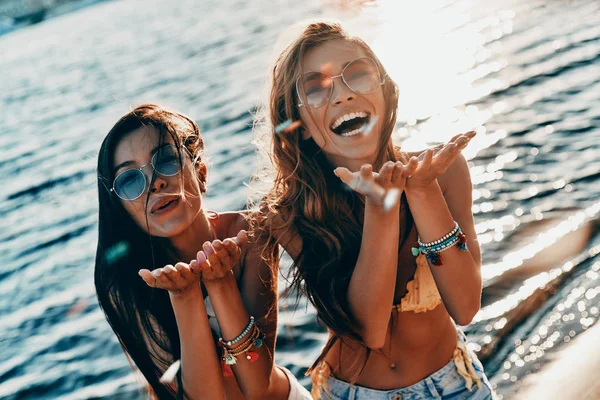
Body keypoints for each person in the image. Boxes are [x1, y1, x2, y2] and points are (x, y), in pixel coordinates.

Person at [252, 21, 496, 399]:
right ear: (299, 126)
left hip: (456, 385)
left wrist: (422, 190)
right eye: (316, 88)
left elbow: (465, 307)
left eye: (357, 75)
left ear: (385, 90)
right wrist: (381, 209)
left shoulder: (440, 174)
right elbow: (370, 330)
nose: (342, 95)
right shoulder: (293, 215)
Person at [94, 104, 311, 399]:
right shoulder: (129, 283)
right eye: (130, 180)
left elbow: (258, 384)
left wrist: (220, 283)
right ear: (122, 210)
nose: (155, 183)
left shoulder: (251, 233)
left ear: (201, 172)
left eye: (166, 160)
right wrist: (185, 297)